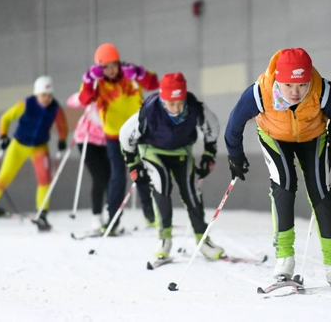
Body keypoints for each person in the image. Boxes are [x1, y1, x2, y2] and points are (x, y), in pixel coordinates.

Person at [224, 48, 331, 286]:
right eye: (288, 86)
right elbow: (235, 122)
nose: (296, 92)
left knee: (320, 189)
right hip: (274, 136)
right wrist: (235, 155)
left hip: (313, 137)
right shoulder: (259, 93)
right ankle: (284, 258)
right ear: (277, 79)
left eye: (302, 85)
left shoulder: (322, 90)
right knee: (284, 184)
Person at [119, 72, 224, 260]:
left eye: (179, 103)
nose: (176, 109)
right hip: (152, 150)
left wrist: (209, 154)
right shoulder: (150, 110)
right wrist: (133, 164)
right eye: (171, 104)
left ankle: (202, 239)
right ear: (162, 98)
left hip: (182, 151)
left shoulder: (194, 107)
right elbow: (125, 134)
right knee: (161, 181)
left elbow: (213, 127)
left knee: (191, 190)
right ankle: (164, 239)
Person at [0, 76, 68, 231]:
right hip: (18, 145)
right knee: (3, 178)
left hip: (39, 147)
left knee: (44, 180)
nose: (47, 99)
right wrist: (3, 135)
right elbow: (6, 118)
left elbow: (63, 126)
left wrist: (62, 138)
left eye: (49, 95)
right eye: (44, 95)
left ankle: (42, 215)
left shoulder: (55, 108)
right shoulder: (27, 104)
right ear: (37, 94)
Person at [78, 43, 157, 234]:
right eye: (106, 67)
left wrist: (139, 73)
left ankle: (151, 214)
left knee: (142, 173)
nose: (111, 70)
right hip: (114, 136)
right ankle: (113, 219)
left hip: (138, 131)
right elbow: (83, 99)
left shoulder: (130, 75)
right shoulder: (97, 82)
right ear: (99, 68)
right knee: (117, 176)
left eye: (114, 65)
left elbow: (154, 84)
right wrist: (89, 80)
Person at [66, 93, 155, 231]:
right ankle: (97, 217)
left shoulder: (121, 96)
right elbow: (72, 102)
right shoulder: (99, 92)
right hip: (88, 140)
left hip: (108, 142)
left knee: (111, 178)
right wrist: (88, 94)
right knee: (100, 177)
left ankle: (111, 216)